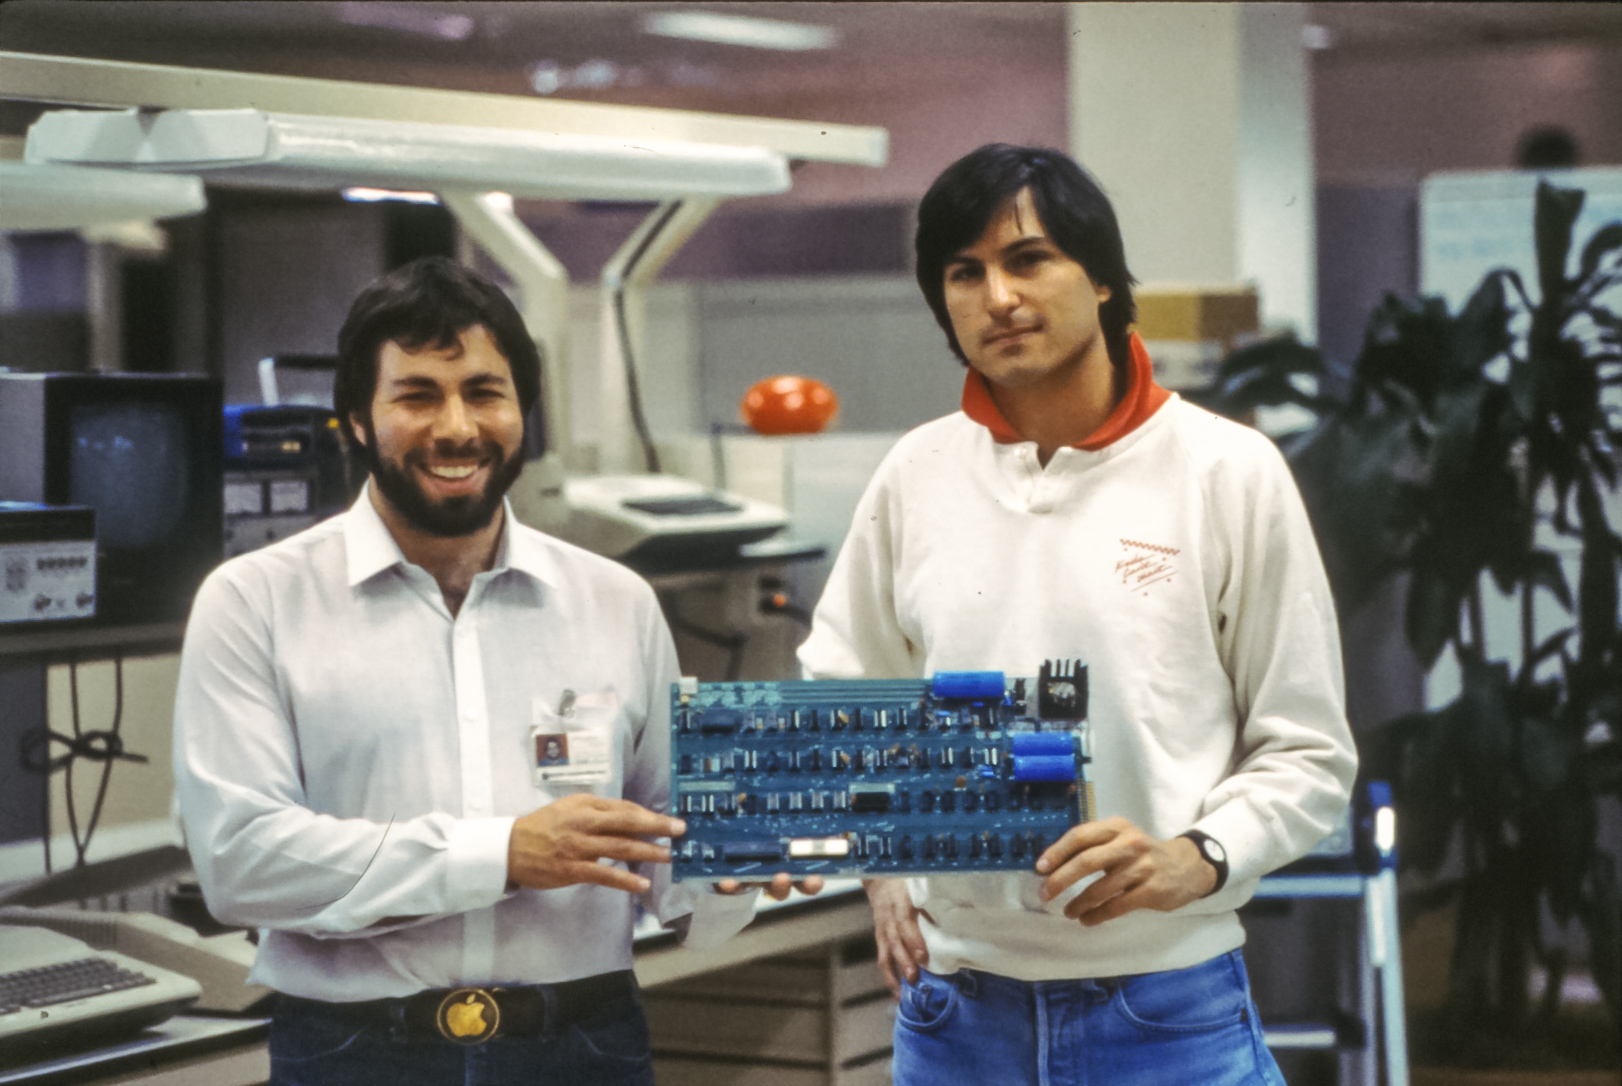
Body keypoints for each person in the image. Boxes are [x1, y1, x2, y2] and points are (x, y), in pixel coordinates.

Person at [173, 256, 812, 1086]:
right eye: (416, 395)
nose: (456, 427)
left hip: (583, 1047)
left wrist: (728, 870)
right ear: (357, 422)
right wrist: (502, 852)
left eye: (484, 392)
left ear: (521, 413)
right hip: (356, 1054)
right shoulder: (255, 601)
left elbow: (660, 836)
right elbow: (241, 860)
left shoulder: (614, 600)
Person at [797, 145, 1358, 1085]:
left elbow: (1309, 751)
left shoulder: (1226, 471)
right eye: (964, 274)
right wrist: (884, 868)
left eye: (1028, 259)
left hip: (1168, 1010)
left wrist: (1202, 855)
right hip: (955, 1015)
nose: (999, 297)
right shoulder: (917, 474)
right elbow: (844, 697)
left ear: (1100, 278)